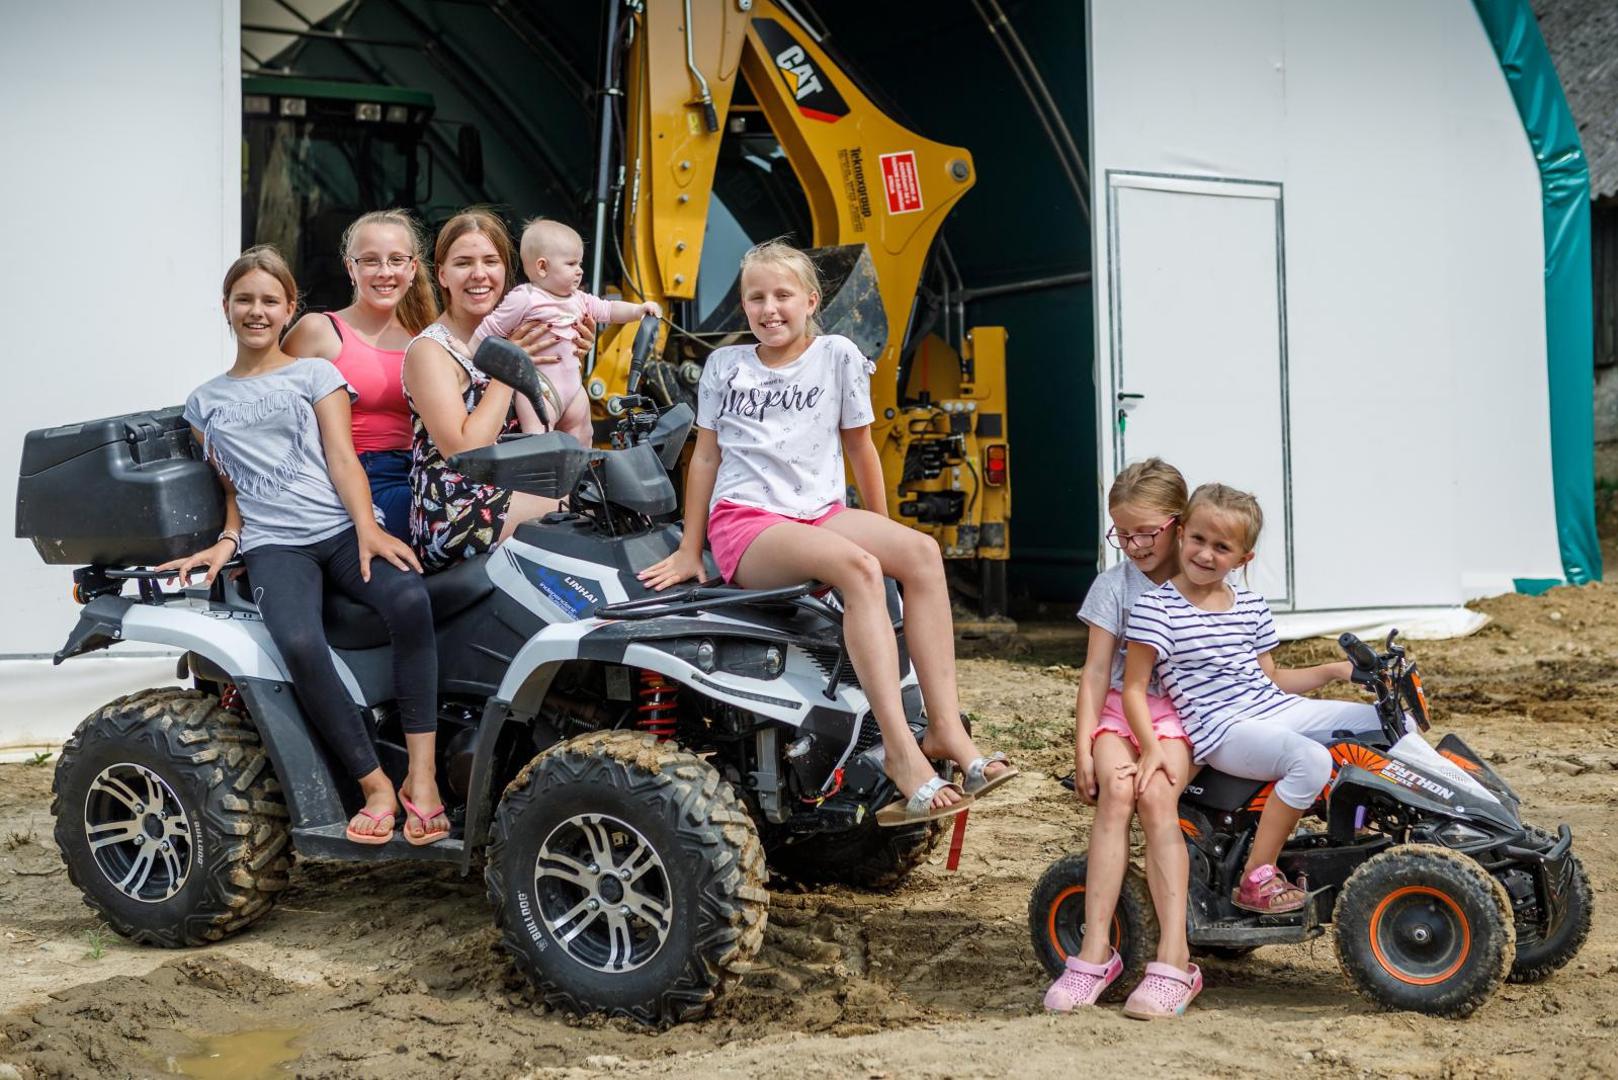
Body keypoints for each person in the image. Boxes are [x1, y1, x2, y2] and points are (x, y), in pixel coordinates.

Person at [636, 239, 1016, 825]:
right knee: (858, 568)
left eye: (782, 295)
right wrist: (692, 547)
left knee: (918, 553)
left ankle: (943, 729)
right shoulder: (725, 367)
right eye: (755, 298)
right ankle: (900, 752)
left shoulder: (837, 355)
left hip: (819, 511)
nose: (769, 309)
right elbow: (705, 459)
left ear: (811, 300)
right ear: (743, 306)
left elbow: (860, 447)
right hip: (749, 522)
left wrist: (882, 525)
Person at [158, 246, 449, 847]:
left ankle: (423, 782)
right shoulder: (203, 403)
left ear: (291, 308)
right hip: (274, 547)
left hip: (339, 531)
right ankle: (373, 785)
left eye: (270, 300)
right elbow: (231, 485)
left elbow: (344, 458)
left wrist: (368, 527)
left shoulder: (315, 374)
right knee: (297, 641)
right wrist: (228, 540)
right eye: (245, 300)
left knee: (410, 602)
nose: (257, 311)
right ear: (226, 308)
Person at [1126, 483, 1367, 925]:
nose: (1205, 554)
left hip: (1270, 707)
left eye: (1222, 547)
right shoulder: (1155, 608)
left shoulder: (1251, 605)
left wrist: (1336, 670)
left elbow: (1272, 679)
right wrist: (1152, 747)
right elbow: (1134, 688)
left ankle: (1460, 821)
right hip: (1220, 729)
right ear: (1181, 534)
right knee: (1309, 760)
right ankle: (1258, 876)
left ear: (1243, 559)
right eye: (1198, 539)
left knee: (1382, 723)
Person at [1044, 458, 1197, 1016]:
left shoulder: (1200, 582)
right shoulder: (1114, 586)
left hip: (1179, 714)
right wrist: (1083, 745)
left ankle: (1175, 959)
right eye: (1122, 533)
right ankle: (1093, 953)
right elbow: (1093, 672)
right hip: (1116, 711)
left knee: (1157, 796)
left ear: (1179, 523)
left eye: (1145, 533)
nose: (1133, 545)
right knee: (1116, 790)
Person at [403, 209, 595, 572]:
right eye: (463, 263)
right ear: (442, 274)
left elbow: (567, 426)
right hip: (456, 511)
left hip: (522, 488)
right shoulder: (430, 351)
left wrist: (570, 358)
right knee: (593, 507)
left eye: (490, 261)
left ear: (506, 270)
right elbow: (465, 452)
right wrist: (509, 369)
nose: (479, 274)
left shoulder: (526, 329)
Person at [282, 210, 438, 542]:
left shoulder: (427, 337)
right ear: (350, 268)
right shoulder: (319, 331)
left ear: (412, 269)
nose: (385, 272)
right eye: (370, 261)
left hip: (421, 470)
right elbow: (270, 419)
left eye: (396, 260)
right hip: (357, 479)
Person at [470, 218, 659, 446]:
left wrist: (639, 310)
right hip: (539, 387)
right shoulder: (525, 298)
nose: (579, 271)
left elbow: (609, 310)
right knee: (538, 441)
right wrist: (468, 352)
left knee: (584, 436)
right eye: (571, 264)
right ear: (542, 267)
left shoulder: (579, 299)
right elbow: (489, 331)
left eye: (579, 263)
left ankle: (581, 476)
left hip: (574, 388)